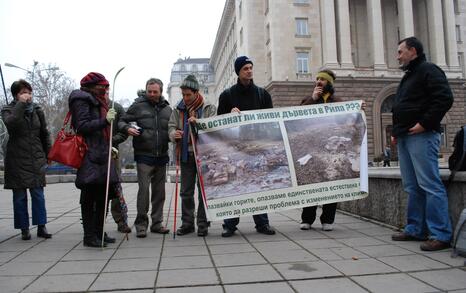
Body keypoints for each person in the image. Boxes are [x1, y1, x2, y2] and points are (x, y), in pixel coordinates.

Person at [391, 37, 453, 251]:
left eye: (401, 52)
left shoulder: (429, 70)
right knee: (412, 186)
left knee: (430, 185)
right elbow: (404, 105)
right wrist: (396, 131)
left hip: (421, 135)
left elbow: (444, 98)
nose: (398, 56)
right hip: (406, 136)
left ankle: (440, 234)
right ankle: (415, 228)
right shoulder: (409, 75)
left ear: (413, 51)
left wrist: (424, 124)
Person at [217, 56, 276, 237]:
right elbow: (219, 123)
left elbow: (271, 120)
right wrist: (229, 115)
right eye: (245, 68)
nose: (249, 71)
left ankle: (262, 223)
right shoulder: (227, 95)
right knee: (236, 183)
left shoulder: (262, 94)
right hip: (236, 148)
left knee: (258, 182)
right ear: (238, 71)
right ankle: (230, 224)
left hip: (258, 147)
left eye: (251, 68)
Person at [69, 72, 119, 247]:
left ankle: (99, 231)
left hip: (102, 152)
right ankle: (89, 235)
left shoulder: (99, 100)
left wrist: (109, 143)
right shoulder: (81, 99)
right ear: (92, 86)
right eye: (103, 86)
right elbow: (81, 126)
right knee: (90, 196)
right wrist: (104, 121)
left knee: (103, 195)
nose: (106, 89)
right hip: (90, 154)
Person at [119, 78, 172, 238]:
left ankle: (157, 223)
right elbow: (122, 121)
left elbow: (172, 128)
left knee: (159, 193)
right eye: (149, 91)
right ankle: (141, 225)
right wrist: (127, 128)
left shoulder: (167, 109)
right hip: (143, 155)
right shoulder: (137, 106)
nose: (152, 94)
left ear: (161, 92)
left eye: (155, 92)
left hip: (161, 156)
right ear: (146, 90)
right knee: (144, 191)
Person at [2, 79, 52, 240]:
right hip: (16, 159)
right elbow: (10, 124)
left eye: (29, 92)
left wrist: (49, 153)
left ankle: (41, 226)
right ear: (16, 95)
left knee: (38, 194)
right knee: (19, 196)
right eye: (23, 92)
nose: (27, 95)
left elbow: (44, 133)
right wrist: (21, 106)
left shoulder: (37, 110)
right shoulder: (8, 110)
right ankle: (24, 228)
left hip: (35, 157)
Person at [168, 74, 216, 237]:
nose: (185, 98)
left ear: (196, 93)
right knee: (186, 191)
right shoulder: (178, 108)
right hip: (186, 154)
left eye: (188, 95)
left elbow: (213, 127)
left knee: (203, 190)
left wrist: (199, 124)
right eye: (183, 94)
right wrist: (174, 134)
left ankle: (202, 223)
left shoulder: (208, 107)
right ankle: (187, 223)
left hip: (204, 154)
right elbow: (171, 126)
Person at [299, 69, 341, 232]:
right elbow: (297, 116)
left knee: (331, 180)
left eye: (322, 79)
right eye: (316, 79)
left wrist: (359, 109)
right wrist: (313, 99)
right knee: (312, 181)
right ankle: (307, 218)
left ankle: (328, 219)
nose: (318, 82)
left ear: (329, 83)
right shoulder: (308, 100)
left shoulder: (337, 101)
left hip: (331, 149)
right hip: (313, 147)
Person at [106, 89, 131, 234]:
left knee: (116, 187)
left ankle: (121, 220)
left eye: (106, 90)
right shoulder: (89, 106)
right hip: (92, 153)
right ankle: (95, 220)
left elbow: (124, 129)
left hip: (112, 152)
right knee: (94, 187)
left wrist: (112, 141)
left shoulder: (117, 108)